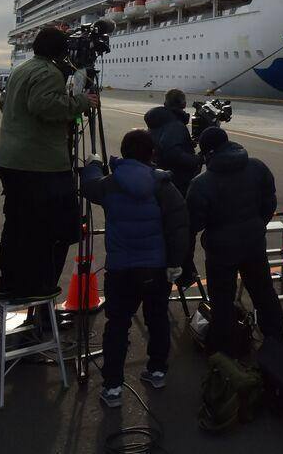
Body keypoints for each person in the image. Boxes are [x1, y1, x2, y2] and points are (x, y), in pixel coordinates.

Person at [80, 130, 190, 407]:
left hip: (120, 269)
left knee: (117, 324)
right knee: (157, 319)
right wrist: (177, 263)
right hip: (155, 268)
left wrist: (93, 164)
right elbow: (179, 227)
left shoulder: (110, 183)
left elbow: (88, 185)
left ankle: (113, 387)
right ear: (151, 153)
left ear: (125, 152)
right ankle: (156, 371)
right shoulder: (163, 184)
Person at [0, 27, 97, 301]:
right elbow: (44, 106)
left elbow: (5, 103)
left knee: (17, 222)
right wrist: (83, 101)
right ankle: (38, 285)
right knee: (53, 226)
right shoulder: (48, 72)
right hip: (39, 164)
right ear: (61, 51)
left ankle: (10, 280)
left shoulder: (21, 69)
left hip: (10, 159)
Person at [187, 127, 283, 353]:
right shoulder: (257, 167)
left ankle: (225, 351)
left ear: (207, 153)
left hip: (221, 250)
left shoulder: (202, 183)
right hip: (253, 243)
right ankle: (276, 341)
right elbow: (269, 201)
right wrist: (258, 224)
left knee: (222, 301)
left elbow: (194, 224)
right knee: (264, 292)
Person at [143, 89, 202, 198]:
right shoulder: (175, 124)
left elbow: (161, 142)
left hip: (159, 172)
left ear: (165, 103)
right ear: (183, 104)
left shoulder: (160, 119)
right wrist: (196, 159)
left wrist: (186, 144)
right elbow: (172, 153)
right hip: (175, 180)